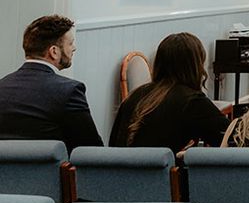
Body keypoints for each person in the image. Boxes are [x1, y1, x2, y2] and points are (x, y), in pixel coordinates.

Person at [109, 32, 229, 153]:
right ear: (195, 67)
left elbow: (113, 144)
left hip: (120, 169)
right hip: (159, 170)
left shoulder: (135, 96)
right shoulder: (192, 101)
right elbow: (230, 141)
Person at [0, 15, 103, 152]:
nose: (74, 48)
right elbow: (90, 149)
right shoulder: (70, 91)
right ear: (54, 52)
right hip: (51, 172)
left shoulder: (2, 85)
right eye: (70, 43)